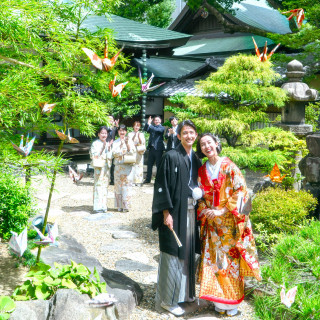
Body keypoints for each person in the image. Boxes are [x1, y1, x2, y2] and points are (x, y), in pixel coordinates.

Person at [196, 133, 261, 317]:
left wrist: (222, 211)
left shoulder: (229, 167)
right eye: (202, 144)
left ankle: (231, 302)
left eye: (209, 142)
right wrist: (205, 210)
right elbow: (200, 196)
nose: (207, 146)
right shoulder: (202, 171)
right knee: (214, 263)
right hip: (212, 225)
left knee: (229, 263)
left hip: (230, 225)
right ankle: (218, 302)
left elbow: (242, 192)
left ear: (217, 144)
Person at [152, 120, 202, 316]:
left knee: (188, 252)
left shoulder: (195, 159)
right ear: (178, 136)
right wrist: (166, 213)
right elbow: (161, 185)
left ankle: (185, 294)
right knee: (173, 252)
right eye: (185, 132)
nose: (189, 136)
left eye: (192, 132)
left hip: (190, 212)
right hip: (174, 212)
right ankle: (167, 300)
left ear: (195, 135)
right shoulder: (170, 156)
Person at [112, 124, 136, 212]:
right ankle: (119, 206)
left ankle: (126, 206)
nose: (122, 132)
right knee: (118, 185)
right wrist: (122, 149)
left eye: (123, 131)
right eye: (120, 131)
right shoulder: (115, 142)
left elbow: (132, 152)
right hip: (118, 166)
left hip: (127, 166)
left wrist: (126, 144)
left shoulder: (130, 141)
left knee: (127, 185)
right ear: (118, 132)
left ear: (126, 132)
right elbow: (114, 153)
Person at [90, 126, 112, 213]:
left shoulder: (107, 143)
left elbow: (110, 156)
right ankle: (97, 207)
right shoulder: (95, 143)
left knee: (105, 186)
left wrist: (109, 148)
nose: (104, 135)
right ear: (98, 134)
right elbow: (93, 156)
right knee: (98, 185)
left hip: (106, 168)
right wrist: (102, 149)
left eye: (105, 133)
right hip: (99, 167)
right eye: (102, 133)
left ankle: (103, 205)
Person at [143, 115, 165, 183]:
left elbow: (157, 130)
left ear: (160, 121)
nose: (157, 121)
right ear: (154, 121)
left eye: (158, 120)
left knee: (158, 165)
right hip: (151, 148)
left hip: (158, 149)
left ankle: (158, 180)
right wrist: (148, 123)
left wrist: (150, 125)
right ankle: (148, 179)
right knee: (149, 165)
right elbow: (146, 129)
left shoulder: (162, 128)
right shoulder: (153, 127)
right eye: (155, 120)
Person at [128, 121, 146, 186]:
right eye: (135, 125)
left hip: (139, 151)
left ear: (139, 127)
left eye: (138, 126)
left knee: (139, 166)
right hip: (133, 151)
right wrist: (134, 136)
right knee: (132, 165)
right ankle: (132, 181)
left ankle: (138, 181)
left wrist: (138, 136)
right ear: (133, 126)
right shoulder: (130, 134)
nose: (136, 127)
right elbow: (129, 142)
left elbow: (142, 143)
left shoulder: (141, 134)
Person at [106, 115, 119, 185]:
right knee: (106, 163)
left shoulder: (114, 128)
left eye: (111, 119)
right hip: (106, 147)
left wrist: (117, 126)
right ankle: (105, 178)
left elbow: (119, 133)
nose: (110, 120)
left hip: (113, 147)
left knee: (113, 164)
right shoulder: (104, 128)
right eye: (109, 119)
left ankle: (112, 179)